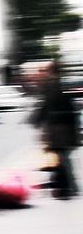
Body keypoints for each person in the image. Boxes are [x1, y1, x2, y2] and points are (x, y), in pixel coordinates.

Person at [37, 60, 79, 199]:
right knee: (63, 157)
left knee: (61, 158)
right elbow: (73, 108)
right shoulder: (64, 84)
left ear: (51, 71)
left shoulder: (51, 85)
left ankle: (66, 187)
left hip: (57, 129)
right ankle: (68, 186)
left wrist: (37, 122)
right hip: (67, 127)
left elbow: (45, 107)